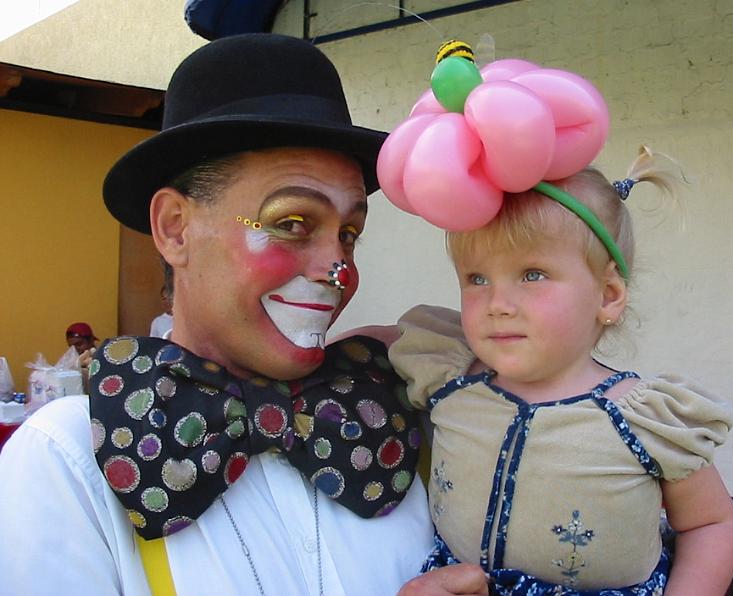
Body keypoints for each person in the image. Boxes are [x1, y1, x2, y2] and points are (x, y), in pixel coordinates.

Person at [0, 33, 464, 596]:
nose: (338, 268)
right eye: (292, 222)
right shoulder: (69, 458)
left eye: (349, 234)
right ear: (175, 228)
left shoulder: (393, 418)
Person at [377, 47, 733, 594]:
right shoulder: (450, 381)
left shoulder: (644, 419)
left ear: (608, 296)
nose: (498, 301)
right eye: (477, 278)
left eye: (532, 275)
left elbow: (711, 523)